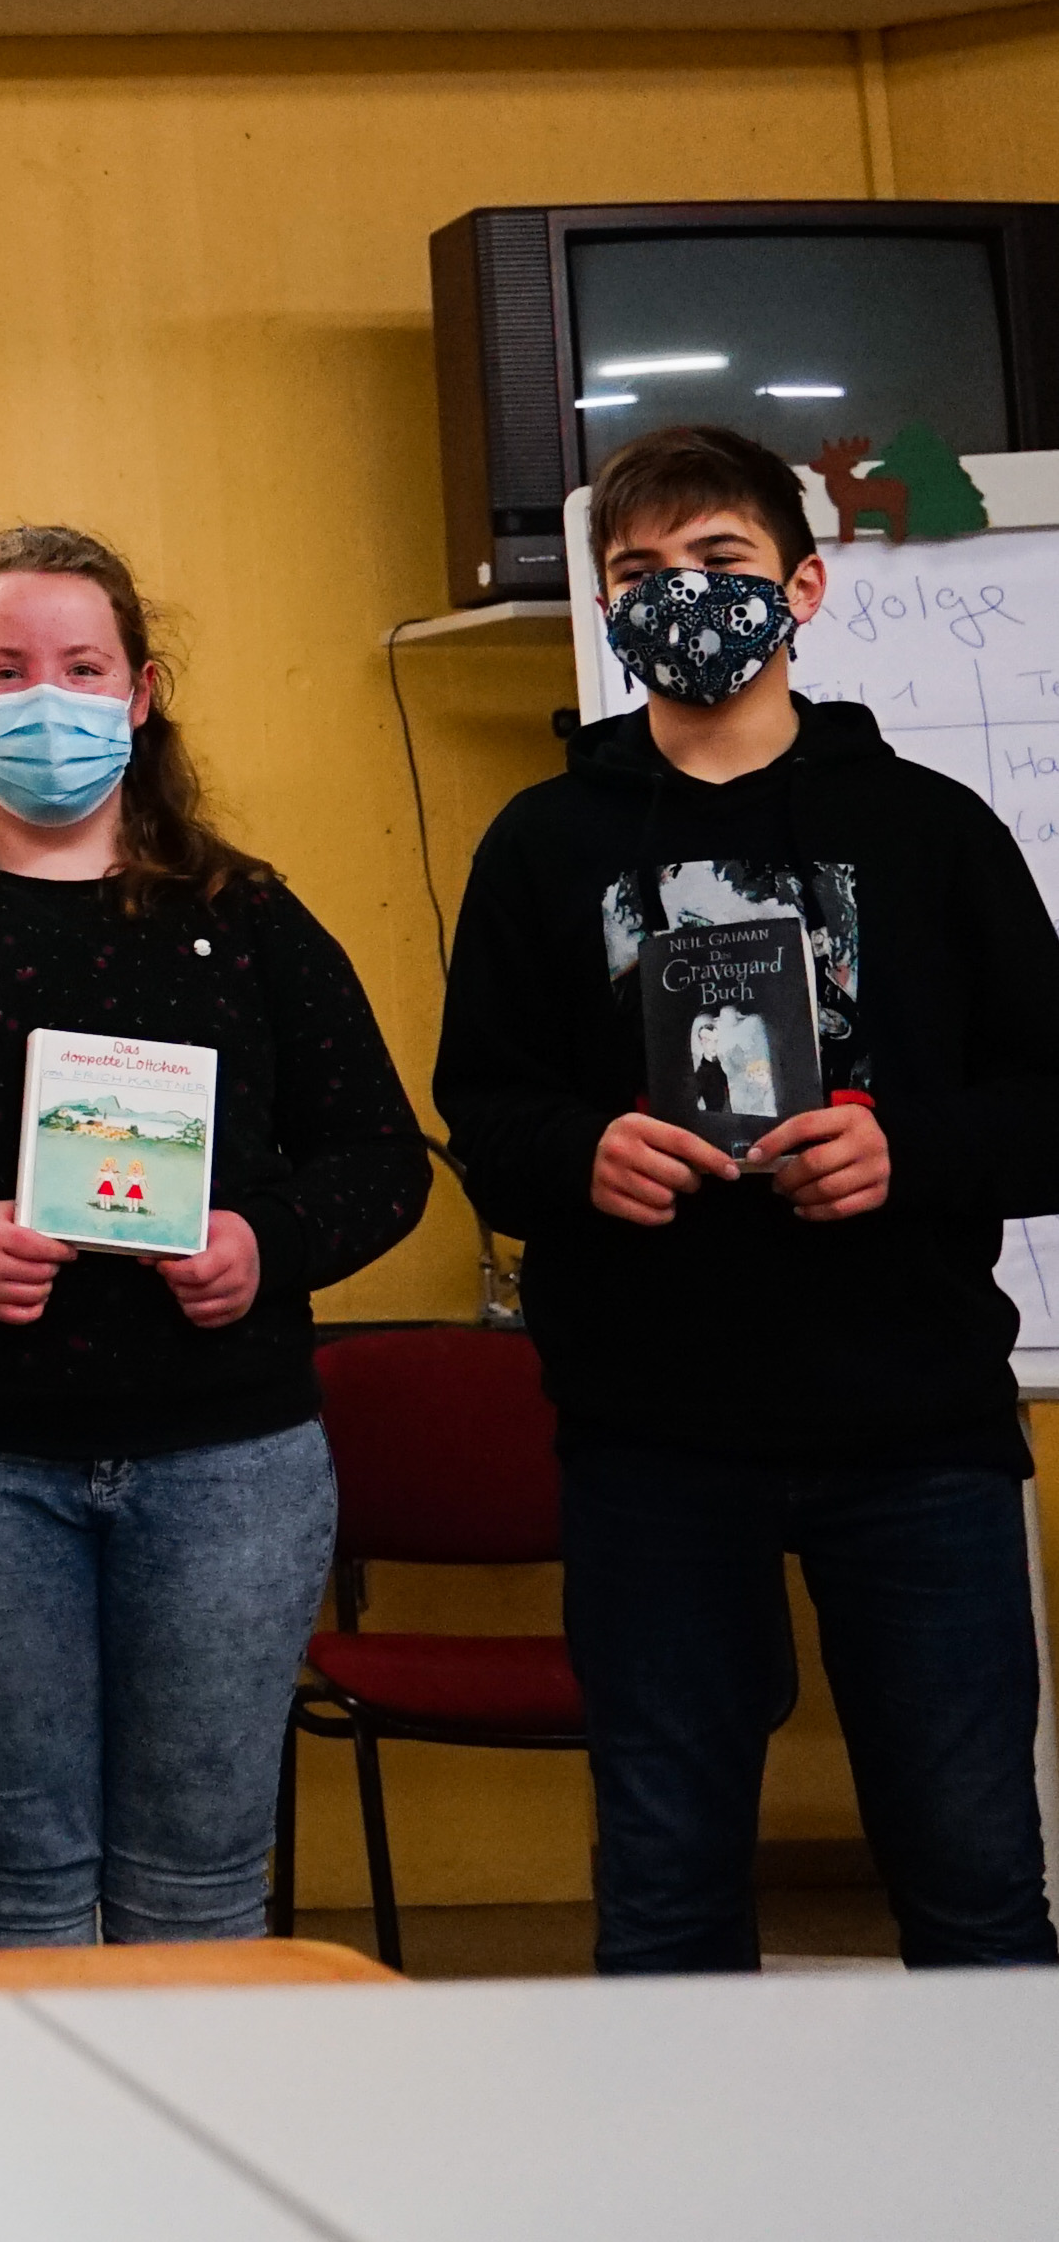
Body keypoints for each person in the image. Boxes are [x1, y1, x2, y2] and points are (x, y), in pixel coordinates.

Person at [438, 422, 1059, 1971]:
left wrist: (905, 1151)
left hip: (915, 1435)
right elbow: (483, 1117)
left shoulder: (930, 832)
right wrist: (579, 1155)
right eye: (638, 570)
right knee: (662, 1892)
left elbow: (1048, 1104)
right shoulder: (539, 845)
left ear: (801, 586)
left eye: (716, 560)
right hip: (649, 1441)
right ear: (602, 607)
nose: (679, 593)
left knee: (977, 1882)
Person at [0, 525, 432, 1947]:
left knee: (198, 1885)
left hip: (229, 1468)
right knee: (14, 1885)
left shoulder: (248, 919)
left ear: (140, 691)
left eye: (81, 667)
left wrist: (264, 1243)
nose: (46, 699)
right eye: (5, 670)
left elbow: (384, 1160)